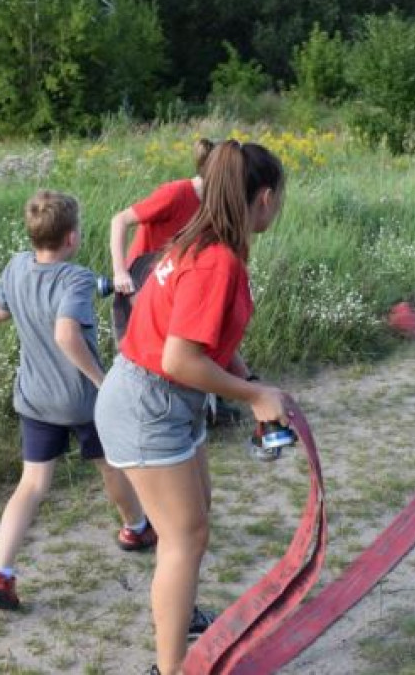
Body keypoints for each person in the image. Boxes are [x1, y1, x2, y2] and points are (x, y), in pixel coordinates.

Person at [94, 141, 292, 675]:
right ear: (265, 198)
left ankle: (179, 620)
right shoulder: (216, 261)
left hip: (165, 398)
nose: (278, 208)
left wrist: (255, 383)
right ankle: (170, 668)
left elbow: (204, 341)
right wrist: (253, 397)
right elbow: (180, 359)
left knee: (193, 523)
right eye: (279, 199)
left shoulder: (200, 240)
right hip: (149, 403)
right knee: (184, 537)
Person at [0, 190, 155, 612]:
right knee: (109, 465)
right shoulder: (73, 278)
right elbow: (65, 334)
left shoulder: (16, 266)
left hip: (35, 399)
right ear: (72, 237)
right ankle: (135, 528)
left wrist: (95, 287)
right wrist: (102, 381)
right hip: (82, 400)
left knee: (32, 485)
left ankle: (0, 572)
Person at [108, 138, 214, 343]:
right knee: (136, 354)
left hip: (170, 289)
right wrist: (120, 273)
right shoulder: (176, 193)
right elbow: (119, 220)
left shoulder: (215, 205)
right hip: (139, 284)